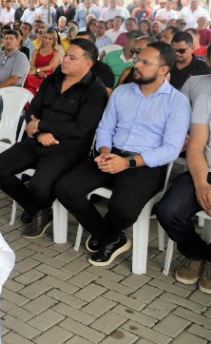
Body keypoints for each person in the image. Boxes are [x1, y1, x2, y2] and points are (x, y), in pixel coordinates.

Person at [55, 42, 190, 266]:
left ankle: (105, 233)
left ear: (163, 70)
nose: (136, 64)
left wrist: (127, 163)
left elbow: (170, 150)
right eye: (138, 58)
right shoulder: (122, 92)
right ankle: (111, 237)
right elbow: (105, 127)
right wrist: (105, 150)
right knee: (65, 188)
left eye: (145, 62)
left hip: (146, 163)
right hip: (111, 154)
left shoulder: (177, 102)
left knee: (123, 209)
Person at [0, 39, 108, 238]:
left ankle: (37, 207)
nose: (65, 60)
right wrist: (39, 134)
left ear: (88, 64)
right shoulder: (53, 79)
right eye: (66, 55)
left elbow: (81, 128)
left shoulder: (95, 90)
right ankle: (38, 209)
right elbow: (33, 110)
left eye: (72, 57)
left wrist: (43, 126)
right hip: (37, 140)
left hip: (67, 148)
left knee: (39, 186)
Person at [157, 87, 211, 291]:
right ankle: (196, 253)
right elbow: (196, 148)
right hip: (203, 169)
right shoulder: (206, 96)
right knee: (168, 211)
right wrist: (202, 185)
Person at [23, 29, 61, 95]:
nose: (47, 40)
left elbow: (50, 66)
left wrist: (37, 70)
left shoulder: (56, 53)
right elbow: (32, 65)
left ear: (54, 40)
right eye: (45, 37)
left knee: (27, 78)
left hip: (47, 76)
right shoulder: (36, 51)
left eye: (50, 39)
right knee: (28, 86)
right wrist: (37, 72)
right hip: (35, 74)